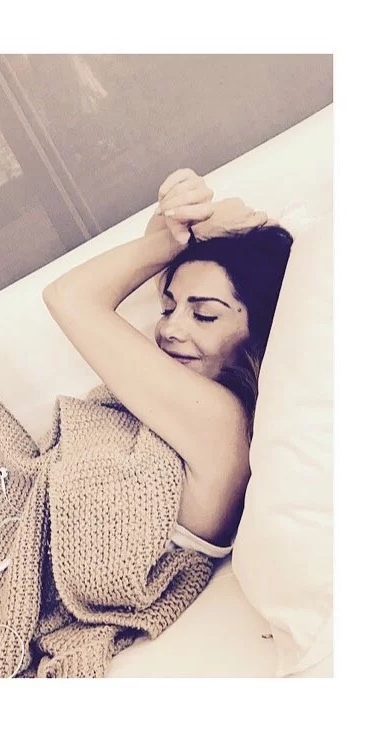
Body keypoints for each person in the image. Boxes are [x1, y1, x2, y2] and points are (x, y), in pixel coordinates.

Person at [42, 168, 292, 555]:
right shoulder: (198, 399)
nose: (170, 330)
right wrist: (173, 214)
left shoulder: (224, 421)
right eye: (167, 308)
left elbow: (68, 297)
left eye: (204, 315)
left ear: (259, 335)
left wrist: (169, 243)